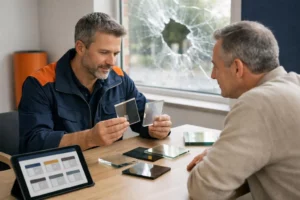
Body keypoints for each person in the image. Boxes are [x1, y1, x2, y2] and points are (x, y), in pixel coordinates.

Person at [18, 12, 172, 153]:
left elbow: (140, 117)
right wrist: (89, 138)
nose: (111, 62)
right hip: (62, 172)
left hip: (108, 169)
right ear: (80, 48)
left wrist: (156, 128)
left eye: (115, 53)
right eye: (104, 52)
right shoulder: (40, 84)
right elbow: (34, 142)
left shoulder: (118, 79)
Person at [187, 21, 300, 200]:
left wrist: (213, 161)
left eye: (215, 66)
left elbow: (203, 190)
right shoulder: (294, 83)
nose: (212, 75)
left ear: (238, 68)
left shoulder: (258, 103)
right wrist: (224, 157)